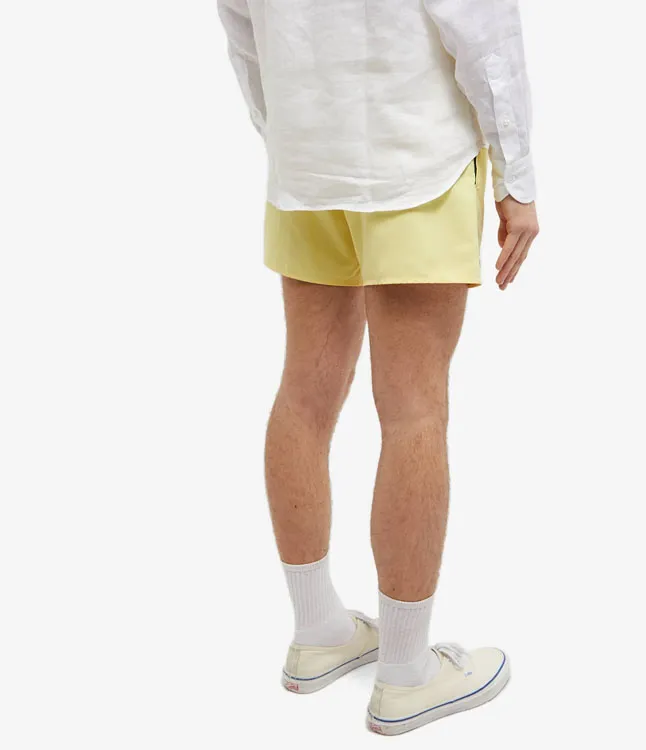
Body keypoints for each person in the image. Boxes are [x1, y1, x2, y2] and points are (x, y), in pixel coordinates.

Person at [217, 0, 539, 735]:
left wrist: (288, 136)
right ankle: (405, 673)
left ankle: (318, 633)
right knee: (415, 409)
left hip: (305, 163)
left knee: (303, 395)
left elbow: (238, 24)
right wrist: (516, 177)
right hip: (415, 159)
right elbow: (484, 30)